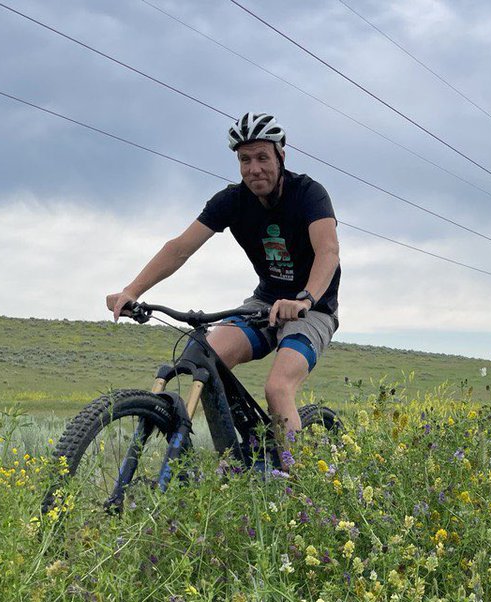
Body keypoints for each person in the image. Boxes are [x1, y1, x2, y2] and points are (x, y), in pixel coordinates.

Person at [106, 112, 341, 440]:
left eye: (262, 157)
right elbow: (180, 248)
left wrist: (305, 298)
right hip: (264, 303)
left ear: (281, 156)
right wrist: (131, 290)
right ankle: (234, 454)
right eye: (245, 160)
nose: (254, 168)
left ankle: (298, 484)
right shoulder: (232, 201)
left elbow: (328, 251)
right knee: (208, 358)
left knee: (277, 388)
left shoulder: (309, 193)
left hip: (312, 308)